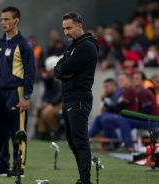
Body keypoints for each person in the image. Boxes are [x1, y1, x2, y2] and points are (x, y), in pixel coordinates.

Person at [0, 7, 35, 177]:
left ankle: (19, 166)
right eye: (1, 20)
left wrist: (26, 96)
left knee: (17, 131)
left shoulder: (24, 45)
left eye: (6, 19)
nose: (3, 23)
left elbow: (30, 73)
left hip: (16, 92)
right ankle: (1, 164)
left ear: (16, 20)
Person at [54, 12, 98, 184]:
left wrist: (62, 72)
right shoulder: (74, 46)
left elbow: (65, 67)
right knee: (73, 142)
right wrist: (62, 72)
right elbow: (59, 68)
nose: (66, 32)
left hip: (79, 98)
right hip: (69, 98)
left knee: (80, 142)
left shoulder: (86, 46)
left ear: (79, 26)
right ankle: (83, 178)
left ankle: (85, 180)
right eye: (64, 28)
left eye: (69, 28)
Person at [35, 56, 63, 140]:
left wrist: (51, 104)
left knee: (46, 113)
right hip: (54, 102)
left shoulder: (62, 78)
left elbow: (61, 94)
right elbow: (49, 91)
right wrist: (46, 101)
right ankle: (42, 133)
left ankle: (56, 132)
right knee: (40, 109)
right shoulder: (53, 79)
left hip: (63, 102)